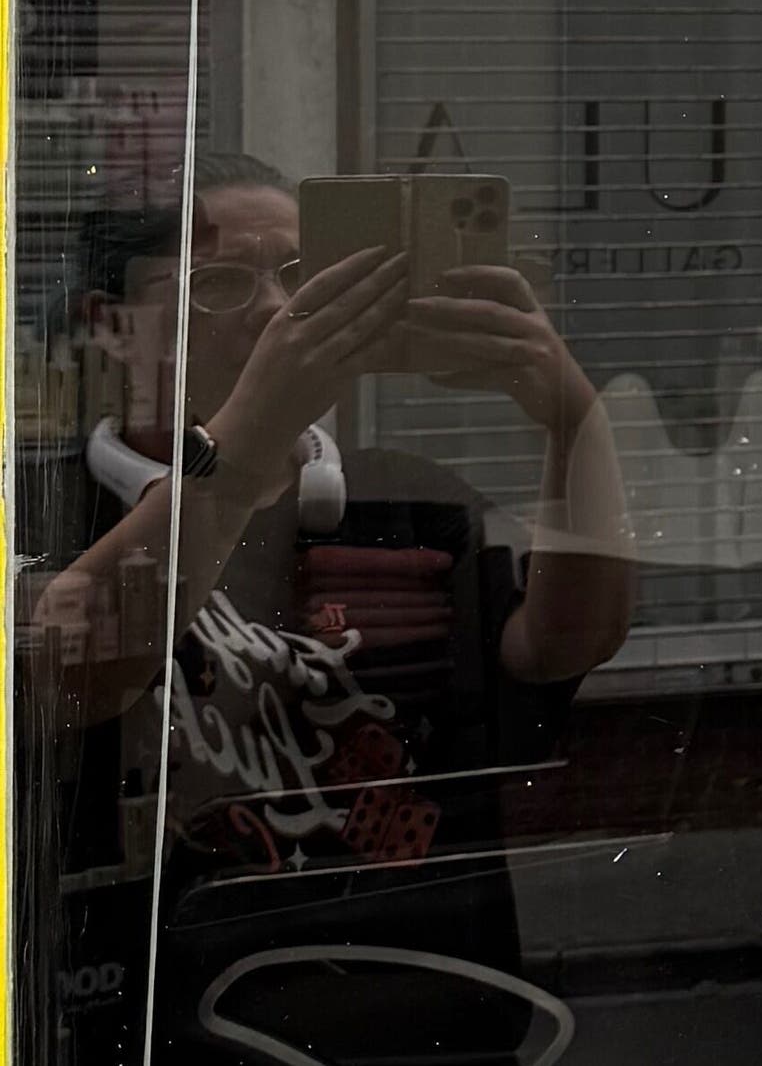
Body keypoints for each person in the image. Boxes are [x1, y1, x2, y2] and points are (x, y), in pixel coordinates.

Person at [29, 154, 632, 1063]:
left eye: (303, 277)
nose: (277, 309)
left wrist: (575, 419)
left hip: (420, 1003)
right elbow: (55, 681)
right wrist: (245, 444)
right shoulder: (44, 507)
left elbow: (559, 645)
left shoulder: (408, 501)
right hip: (157, 1016)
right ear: (110, 326)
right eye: (222, 283)